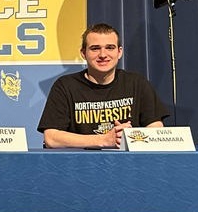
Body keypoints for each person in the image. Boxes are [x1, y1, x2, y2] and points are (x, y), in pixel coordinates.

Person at [38, 23, 169, 149]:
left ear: (119, 52)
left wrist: (132, 136)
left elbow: (156, 128)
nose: (103, 55)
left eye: (110, 48)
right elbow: (51, 138)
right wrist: (103, 140)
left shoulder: (137, 83)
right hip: (80, 163)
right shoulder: (65, 86)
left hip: (129, 162)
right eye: (95, 48)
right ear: (83, 53)